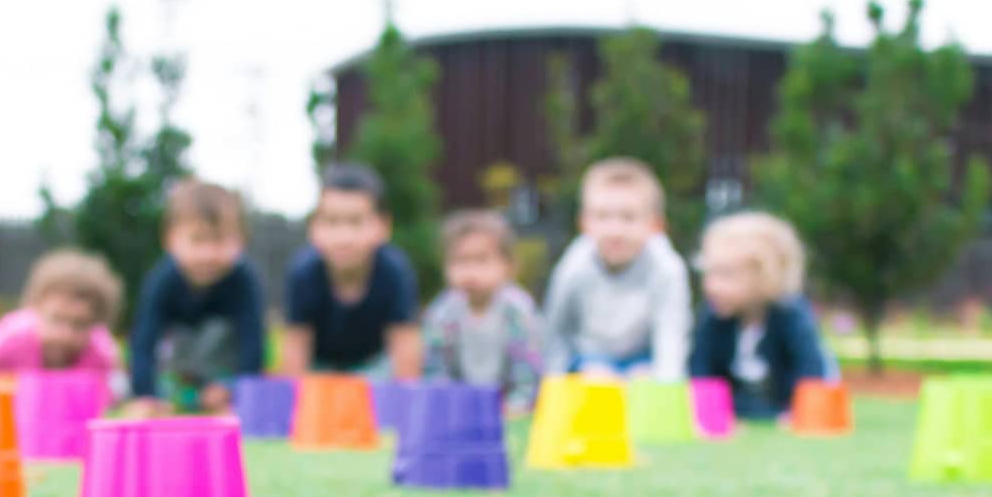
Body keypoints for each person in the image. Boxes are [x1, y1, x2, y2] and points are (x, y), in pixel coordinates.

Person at [542, 158, 692, 380]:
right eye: (603, 216)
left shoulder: (668, 268)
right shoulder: (572, 266)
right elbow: (556, 331)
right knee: (596, 378)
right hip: (589, 359)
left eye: (628, 217)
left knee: (646, 379)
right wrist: (555, 383)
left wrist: (665, 385)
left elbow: (671, 334)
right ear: (584, 223)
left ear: (655, 225)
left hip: (643, 359)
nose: (615, 230)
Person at [124, 180, 265, 416]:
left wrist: (237, 390)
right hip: (177, 378)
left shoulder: (244, 280)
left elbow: (253, 344)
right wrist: (144, 395)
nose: (208, 254)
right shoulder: (162, 280)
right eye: (198, 240)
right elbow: (143, 342)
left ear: (240, 241)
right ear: (171, 240)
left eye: (219, 240)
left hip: (223, 380)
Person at [277, 164, 422, 378]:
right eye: (331, 222)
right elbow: (295, 351)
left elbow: (405, 350)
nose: (344, 237)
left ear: (383, 226)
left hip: (376, 370)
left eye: (356, 222)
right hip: (321, 371)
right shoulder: (303, 273)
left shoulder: (395, 271)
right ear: (313, 227)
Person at [687, 211, 835, 420]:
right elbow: (701, 374)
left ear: (765, 275)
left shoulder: (791, 316)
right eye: (709, 273)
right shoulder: (712, 318)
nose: (712, 286)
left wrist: (797, 414)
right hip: (740, 408)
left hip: (784, 407)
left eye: (726, 274)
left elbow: (811, 374)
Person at [421, 210, 543, 414]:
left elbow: (527, 371)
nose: (470, 271)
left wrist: (517, 406)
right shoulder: (442, 312)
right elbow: (435, 368)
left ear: (508, 265)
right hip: (459, 407)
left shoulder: (518, 310)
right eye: (460, 261)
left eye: (481, 260)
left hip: (510, 408)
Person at [0, 249, 124, 389]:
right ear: (36, 308)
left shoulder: (100, 353)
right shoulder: (10, 337)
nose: (64, 335)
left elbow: (109, 395)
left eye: (79, 325)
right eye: (57, 320)